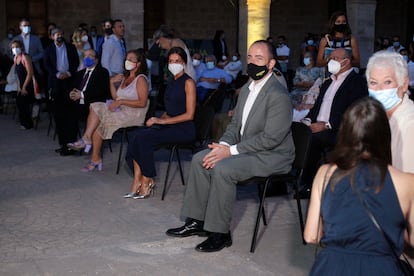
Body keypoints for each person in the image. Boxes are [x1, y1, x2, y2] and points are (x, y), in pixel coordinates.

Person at [165, 40, 295, 253]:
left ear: (271, 64)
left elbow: (271, 139)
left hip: (273, 155)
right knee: (200, 159)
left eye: (259, 58)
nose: (253, 62)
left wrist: (230, 151)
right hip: (249, 149)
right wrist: (223, 145)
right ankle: (197, 221)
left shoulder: (278, 95)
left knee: (223, 168)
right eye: (250, 57)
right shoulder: (246, 88)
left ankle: (220, 233)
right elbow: (235, 125)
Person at [304, 97, 414, 275]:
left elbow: (311, 235)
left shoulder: (325, 173)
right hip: (382, 268)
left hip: (332, 267)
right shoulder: (407, 182)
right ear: (385, 134)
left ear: (346, 132)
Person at [124, 47, 196, 199]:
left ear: (184, 62)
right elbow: (170, 110)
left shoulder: (188, 82)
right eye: (171, 61)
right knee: (135, 135)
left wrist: (161, 121)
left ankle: (147, 179)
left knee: (145, 139)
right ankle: (137, 179)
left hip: (184, 129)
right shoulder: (170, 82)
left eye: (177, 61)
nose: (173, 64)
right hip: (169, 124)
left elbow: (189, 115)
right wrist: (159, 120)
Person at [299, 48, 368, 198]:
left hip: (340, 130)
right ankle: (287, 180)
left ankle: (307, 184)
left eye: (335, 58)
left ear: (346, 61)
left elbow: (354, 111)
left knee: (313, 139)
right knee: (297, 133)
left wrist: (326, 124)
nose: (331, 61)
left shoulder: (357, 82)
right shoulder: (328, 82)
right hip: (319, 126)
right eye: (330, 58)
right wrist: (307, 120)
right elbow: (317, 107)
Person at [68, 49, 149, 172]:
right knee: (96, 109)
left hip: (134, 114)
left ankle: (90, 147)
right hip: (121, 110)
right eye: (127, 59)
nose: (127, 61)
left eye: (131, 59)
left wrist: (121, 102)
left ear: (138, 63)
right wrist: (111, 82)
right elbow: (116, 98)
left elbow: (142, 103)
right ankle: (90, 145)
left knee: (98, 117)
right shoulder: (125, 77)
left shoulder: (141, 79)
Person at [365, 51, 414, 173]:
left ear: (404, 85)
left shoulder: (410, 124)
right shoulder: (372, 115)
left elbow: (408, 181)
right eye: (373, 82)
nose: (379, 89)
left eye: (387, 82)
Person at [43, 27, 79, 156]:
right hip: (56, 82)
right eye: (56, 34)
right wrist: (57, 74)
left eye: (61, 33)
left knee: (71, 114)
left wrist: (69, 73)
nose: (59, 36)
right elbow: (46, 65)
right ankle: (63, 144)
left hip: (69, 82)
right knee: (59, 116)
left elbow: (75, 62)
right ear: (52, 36)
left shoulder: (70, 47)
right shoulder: (48, 49)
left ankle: (71, 144)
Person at [67, 49, 111, 121]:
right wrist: (71, 93)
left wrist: (82, 95)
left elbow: (101, 91)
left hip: (92, 102)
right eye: (85, 56)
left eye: (90, 56)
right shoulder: (79, 73)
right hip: (77, 102)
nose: (87, 58)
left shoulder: (102, 72)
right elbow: (72, 86)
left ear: (96, 60)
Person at [10, 39, 35, 130]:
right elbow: (17, 75)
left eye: (17, 47)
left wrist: (24, 87)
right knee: (19, 102)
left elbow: (30, 73)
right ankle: (24, 122)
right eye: (13, 47)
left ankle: (28, 124)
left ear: (21, 47)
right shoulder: (15, 58)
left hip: (28, 84)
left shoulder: (25, 56)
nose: (15, 49)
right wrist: (19, 87)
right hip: (21, 84)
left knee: (24, 103)